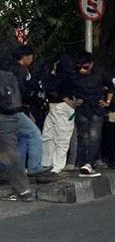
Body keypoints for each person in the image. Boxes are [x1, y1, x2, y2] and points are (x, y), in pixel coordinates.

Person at [67, 52, 113, 177]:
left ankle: (89, 163)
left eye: (85, 67)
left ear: (91, 65)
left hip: (97, 109)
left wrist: (107, 101)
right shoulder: (73, 76)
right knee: (83, 138)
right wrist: (73, 103)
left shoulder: (100, 73)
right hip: (82, 110)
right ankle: (83, 163)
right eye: (80, 67)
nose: (82, 70)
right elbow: (63, 91)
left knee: (94, 137)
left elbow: (111, 86)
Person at [7, 45, 48, 175]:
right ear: (25, 57)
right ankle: (34, 167)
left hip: (7, 109)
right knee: (34, 134)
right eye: (31, 57)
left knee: (22, 138)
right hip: (15, 109)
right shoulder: (21, 70)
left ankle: (18, 169)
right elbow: (21, 91)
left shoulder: (8, 68)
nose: (32, 59)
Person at [39, 53, 77, 175]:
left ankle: (54, 166)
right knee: (53, 136)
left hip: (59, 106)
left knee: (55, 137)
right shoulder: (69, 76)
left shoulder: (60, 77)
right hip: (59, 106)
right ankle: (51, 165)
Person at [0, 69, 33, 201]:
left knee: (9, 154)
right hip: (13, 116)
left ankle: (24, 190)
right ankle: (23, 189)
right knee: (9, 152)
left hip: (2, 117)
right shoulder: (9, 75)